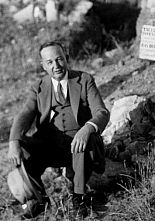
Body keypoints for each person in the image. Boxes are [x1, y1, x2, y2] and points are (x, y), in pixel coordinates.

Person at [7, 41, 110, 219]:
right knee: (22, 146)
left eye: (59, 59)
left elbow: (101, 111)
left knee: (84, 142)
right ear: (43, 66)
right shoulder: (38, 88)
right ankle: (40, 199)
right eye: (50, 62)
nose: (56, 66)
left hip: (80, 145)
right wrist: (13, 141)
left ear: (66, 58)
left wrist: (87, 128)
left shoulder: (84, 80)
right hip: (51, 146)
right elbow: (24, 115)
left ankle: (79, 198)